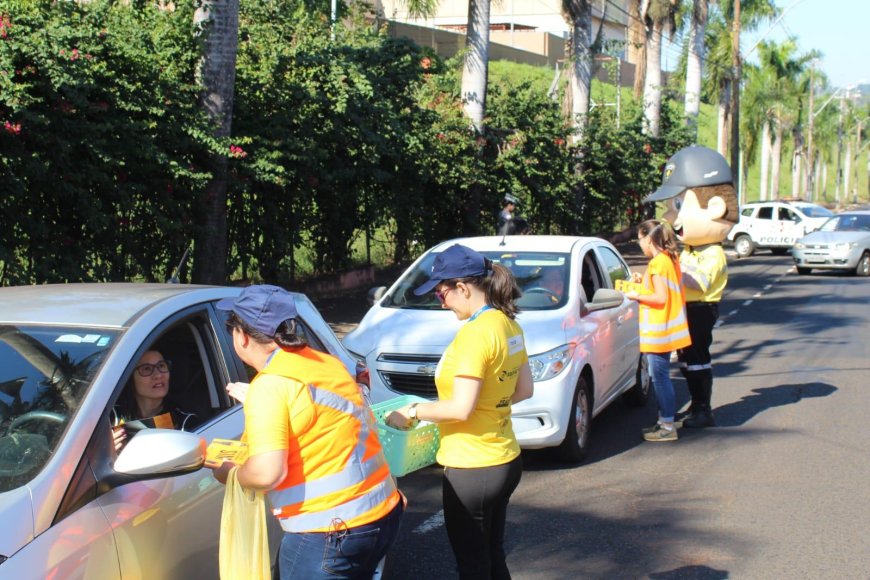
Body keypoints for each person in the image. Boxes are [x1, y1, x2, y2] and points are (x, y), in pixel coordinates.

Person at [210, 284, 403, 580]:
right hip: (381, 515)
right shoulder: (325, 363)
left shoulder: (271, 385)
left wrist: (229, 473)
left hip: (328, 533)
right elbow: (324, 421)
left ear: (242, 336)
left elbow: (266, 473)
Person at [386, 244, 534, 579]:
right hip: (506, 458)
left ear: (463, 288)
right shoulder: (508, 324)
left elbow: (461, 407)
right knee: (492, 555)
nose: (441, 302)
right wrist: (491, 404)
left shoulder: (474, 335)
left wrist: (411, 410)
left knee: (472, 565)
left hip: (473, 466)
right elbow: (524, 389)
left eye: (441, 293)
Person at [643, 145, 739, 428]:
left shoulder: (713, 254)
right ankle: (698, 405)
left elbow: (697, 282)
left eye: (679, 206)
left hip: (701, 311)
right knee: (686, 360)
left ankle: (703, 409)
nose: (672, 218)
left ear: (716, 208)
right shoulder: (689, 251)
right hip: (685, 310)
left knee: (698, 359)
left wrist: (668, 272)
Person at [623, 220, 692, 442]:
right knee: (661, 376)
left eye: (639, 239)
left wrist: (635, 295)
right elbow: (661, 290)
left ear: (648, 238)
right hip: (667, 327)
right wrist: (642, 282)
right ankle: (664, 421)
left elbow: (660, 297)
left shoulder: (658, 263)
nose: (639, 244)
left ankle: (667, 426)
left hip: (660, 329)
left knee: (660, 378)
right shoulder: (669, 259)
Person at [112, 350, 197, 450]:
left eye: (161, 366)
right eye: (147, 369)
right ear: (129, 377)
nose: (158, 375)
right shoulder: (110, 417)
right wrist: (105, 452)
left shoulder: (185, 422)